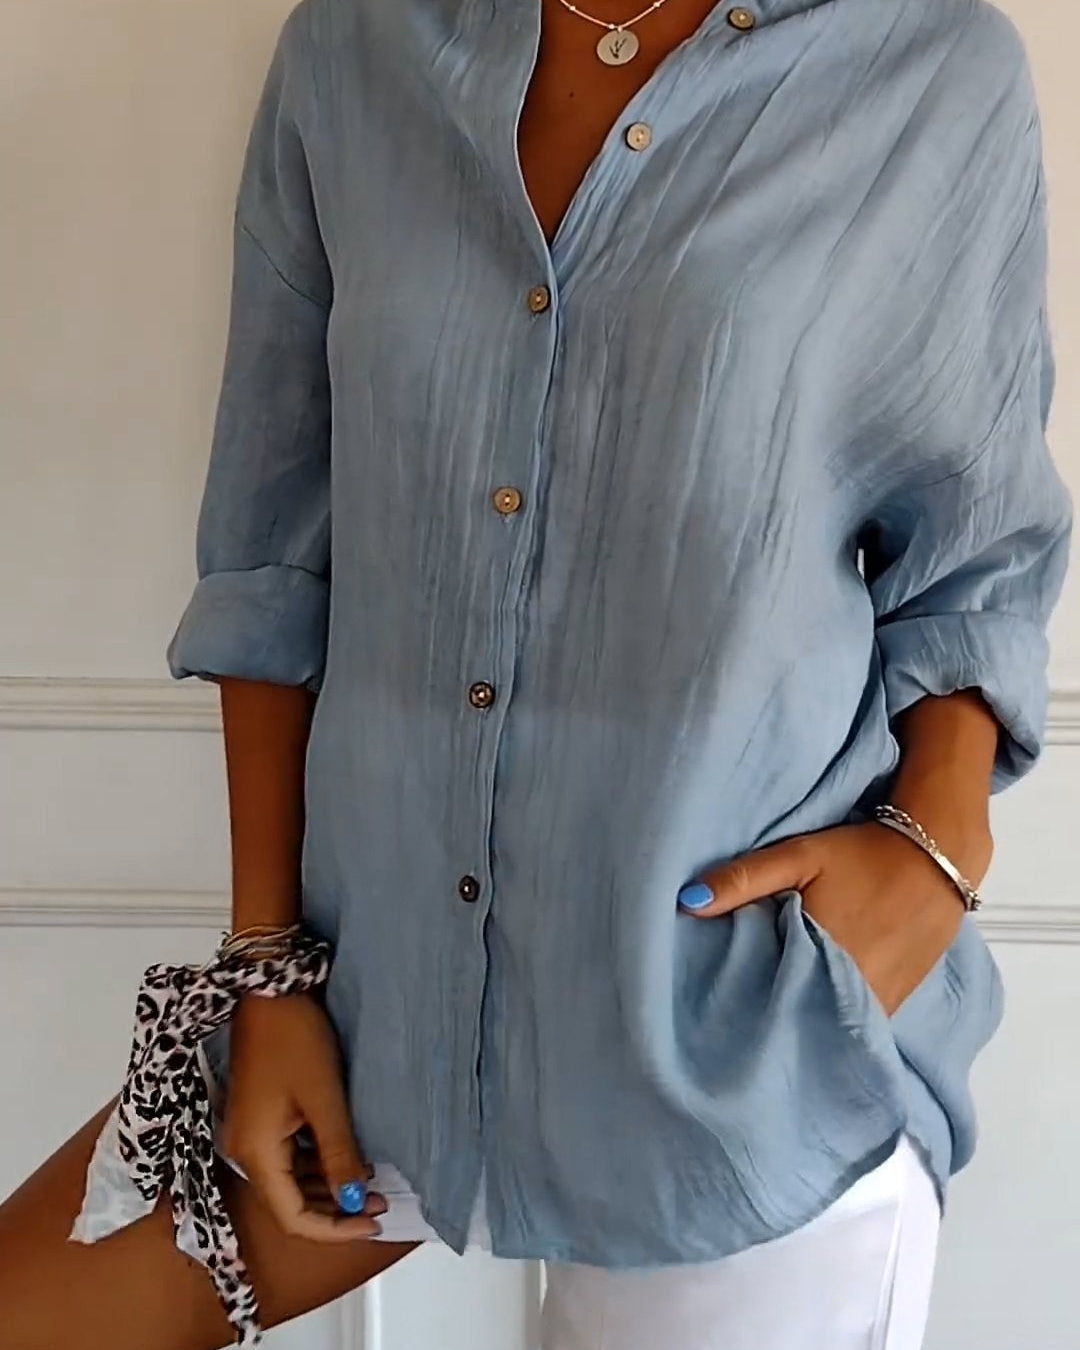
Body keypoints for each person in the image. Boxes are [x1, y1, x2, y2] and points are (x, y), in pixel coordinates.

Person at [0, 0, 1072, 1346]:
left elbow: (974, 554)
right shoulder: (359, 50)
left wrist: (931, 858)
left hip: (731, 1042)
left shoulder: (923, 65)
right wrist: (267, 968)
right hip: (371, 1006)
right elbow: (274, 557)